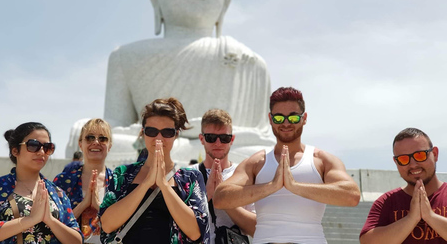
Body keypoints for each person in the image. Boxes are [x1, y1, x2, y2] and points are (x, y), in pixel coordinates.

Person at [64, 0, 273, 164]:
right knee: (91, 140)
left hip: (220, 148)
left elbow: (262, 137)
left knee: (263, 153)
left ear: (226, 2)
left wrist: (195, 140)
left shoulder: (250, 61)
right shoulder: (126, 56)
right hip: (153, 143)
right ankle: (178, 148)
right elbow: (115, 128)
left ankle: (183, 149)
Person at [214, 86, 361, 244]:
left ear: (304, 118)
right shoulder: (257, 162)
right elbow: (221, 198)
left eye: (293, 118)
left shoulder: (321, 160)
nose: (285, 123)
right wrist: (272, 186)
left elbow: (352, 195)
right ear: (270, 119)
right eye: (279, 118)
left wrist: (294, 186)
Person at [99, 98, 210, 243]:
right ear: (142, 133)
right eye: (152, 131)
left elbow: (195, 232)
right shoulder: (123, 174)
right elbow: (107, 225)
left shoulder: (190, 177)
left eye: (167, 132)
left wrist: (164, 185)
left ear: (176, 134)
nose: (159, 138)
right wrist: (145, 184)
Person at [0, 122, 82, 244]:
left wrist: (50, 220)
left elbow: (77, 240)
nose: (41, 152)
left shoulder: (57, 193)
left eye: (47, 147)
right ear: (15, 151)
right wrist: (30, 220)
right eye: (33, 145)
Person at [360, 128, 447, 243]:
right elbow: (367, 241)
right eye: (403, 159)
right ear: (396, 162)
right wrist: (411, 218)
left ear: (435, 154)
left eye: (420, 155)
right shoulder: (386, 202)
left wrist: (430, 216)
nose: (413, 165)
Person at [191, 109, 256, 242]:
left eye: (224, 138)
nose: (218, 143)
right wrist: (206, 196)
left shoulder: (244, 175)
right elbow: (178, 224)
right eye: (211, 138)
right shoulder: (188, 175)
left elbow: (256, 228)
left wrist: (225, 201)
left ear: (232, 139)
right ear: (202, 139)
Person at [53, 118, 113, 244]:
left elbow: (122, 225)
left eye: (103, 138)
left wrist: (98, 206)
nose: (96, 142)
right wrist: (83, 205)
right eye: (90, 138)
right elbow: (54, 226)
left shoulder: (118, 181)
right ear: (80, 144)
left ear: (110, 145)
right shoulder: (64, 181)